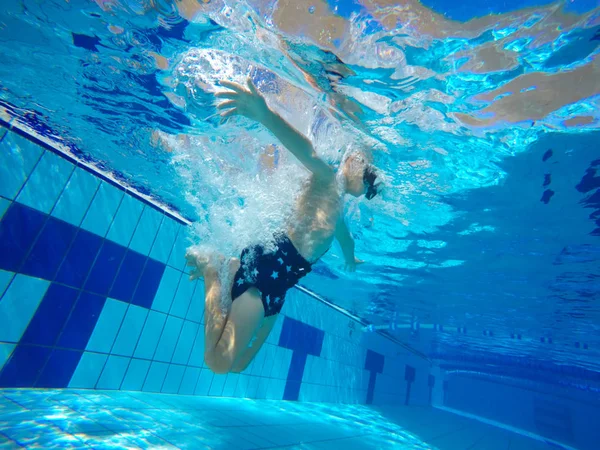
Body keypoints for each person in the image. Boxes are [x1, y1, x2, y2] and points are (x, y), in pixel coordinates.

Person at [185, 77, 382, 374]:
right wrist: (265, 114)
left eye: (372, 181)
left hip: (281, 285)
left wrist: (350, 256)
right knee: (218, 363)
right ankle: (213, 268)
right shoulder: (327, 178)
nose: (370, 182)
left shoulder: (338, 209)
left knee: (239, 366)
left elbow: (345, 239)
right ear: (352, 160)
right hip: (267, 269)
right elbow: (305, 150)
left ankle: (229, 267)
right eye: (368, 172)